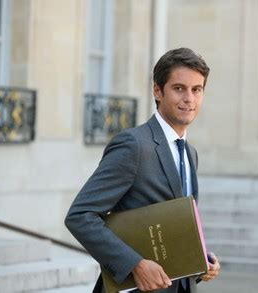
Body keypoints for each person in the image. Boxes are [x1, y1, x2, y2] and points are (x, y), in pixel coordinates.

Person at [65, 47, 220, 293]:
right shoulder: (133, 145)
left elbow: (176, 226)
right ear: (157, 91)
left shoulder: (190, 154)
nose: (189, 99)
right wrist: (134, 265)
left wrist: (201, 263)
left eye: (196, 90)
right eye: (179, 88)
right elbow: (80, 216)